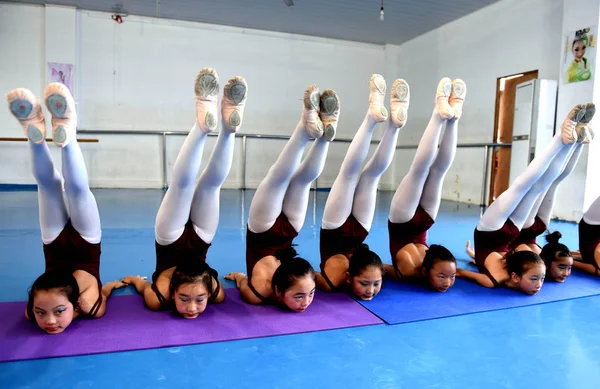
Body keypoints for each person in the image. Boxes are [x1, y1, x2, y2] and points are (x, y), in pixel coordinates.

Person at [122, 68, 245, 318]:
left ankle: (217, 124)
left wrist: (134, 280)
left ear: (172, 291)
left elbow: (144, 285)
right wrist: (240, 278)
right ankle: (226, 125)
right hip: (198, 236)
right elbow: (146, 285)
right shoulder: (216, 293)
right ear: (208, 290)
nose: (192, 307)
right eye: (197, 299)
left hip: (173, 238)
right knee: (200, 185)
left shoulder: (158, 299)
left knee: (190, 185)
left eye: (188, 298)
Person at [7, 83, 125, 334]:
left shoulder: (31, 312)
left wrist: (110, 286)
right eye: (58, 312)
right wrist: (111, 287)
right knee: (76, 190)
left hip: (55, 243)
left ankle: (34, 132)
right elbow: (101, 293)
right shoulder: (93, 308)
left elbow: (42, 304)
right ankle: (64, 133)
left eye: (43, 311)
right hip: (85, 242)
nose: (49, 321)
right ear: (76, 304)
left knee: (49, 187)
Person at [458, 103, 595, 293]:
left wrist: (473, 256)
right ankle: (568, 140)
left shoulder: (495, 280)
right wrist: (475, 257)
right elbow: (475, 267)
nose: (539, 285)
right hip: (509, 233)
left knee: (526, 186)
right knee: (540, 186)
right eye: (539, 278)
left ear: (515, 277)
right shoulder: (514, 267)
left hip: (489, 232)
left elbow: (462, 273)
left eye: (536, 279)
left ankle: (565, 140)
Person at [226, 84, 339, 311]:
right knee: (283, 179)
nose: (306, 302)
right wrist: (238, 277)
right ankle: (316, 128)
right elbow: (243, 281)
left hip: (271, 230)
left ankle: (325, 132)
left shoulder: (259, 293)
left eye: (304, 295)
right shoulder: (259, 293)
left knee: (291, 180)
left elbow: (242, 282)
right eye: (305, 294)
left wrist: (238, 277)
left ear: (278, 292)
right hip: (270, 231)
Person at [316, 74, 409, 300]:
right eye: (371, 283)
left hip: (336, 231)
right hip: (357, 230)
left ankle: (382, 121)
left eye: (371, 284)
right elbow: (385, 269)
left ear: (348, 276)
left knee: (354, 175)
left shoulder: (332, 282)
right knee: (369, 176)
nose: (371, 290)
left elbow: (307, 274)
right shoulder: (346, 277)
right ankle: (392, 125)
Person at [385, 78, 465, 292]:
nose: (447, 283)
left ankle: (451, 115)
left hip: (414, 222)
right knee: (428, 172)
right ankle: (447, 116)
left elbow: (381, 269)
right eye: (446, 276)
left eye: (447, 277)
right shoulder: (411, 274)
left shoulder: (414, 272)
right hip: (410, 223)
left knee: (428, 172)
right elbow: (384, 269)